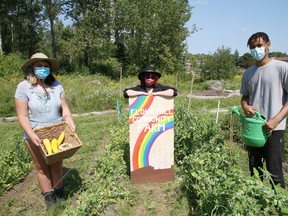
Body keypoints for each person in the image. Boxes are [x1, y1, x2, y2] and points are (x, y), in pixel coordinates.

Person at [15, 52, 76, 209]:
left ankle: (60, 195)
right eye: (39, 66)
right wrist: (31, 134)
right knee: (42, 168)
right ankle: (50, 199)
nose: (43, 68)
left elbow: (65, 110)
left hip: (56, 131)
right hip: (35, 133)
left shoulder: (56, 85)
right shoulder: (24, 87)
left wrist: (70, 122)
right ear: (31, 67)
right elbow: (22, 116)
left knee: (56, 166)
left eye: (45, 66)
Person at [240, 32, 288, 188]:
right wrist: (245, 106)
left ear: (268, 45)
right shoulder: (248, 73)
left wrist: (275, 120)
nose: (256, 49)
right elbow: (244, 97)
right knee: (254, 168)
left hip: (274, 129)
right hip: (254, 128)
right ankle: (258, 202)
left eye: (259, 45)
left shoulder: (282, 68)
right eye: (252, 47)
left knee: (274, 170)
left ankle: (280, 207)